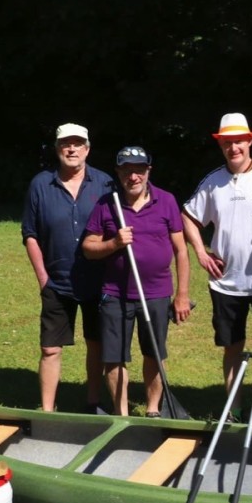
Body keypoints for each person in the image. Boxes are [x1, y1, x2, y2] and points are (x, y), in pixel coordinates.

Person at [183, 113, 252, 423]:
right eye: (227, 143)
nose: (234, 148)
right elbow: (188, 217)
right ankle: (234, 408)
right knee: (232, 347)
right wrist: (201, 252)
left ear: (250, 140)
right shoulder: (213, 182)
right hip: (226, 282)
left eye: (238, 141)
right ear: (220, 145)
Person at [82, 146, 191, 417]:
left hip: (156, 293)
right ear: (118, 173)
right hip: (115, 294)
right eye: (127, 171)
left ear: (148, 171)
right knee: (114, 357)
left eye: (139, 170)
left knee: (154, 353)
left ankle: (153, 409)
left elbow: (181, 250)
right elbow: (87, 247)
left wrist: (182, 294)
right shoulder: (107, 204)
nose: (133, 176)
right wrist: (115, 243)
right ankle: (122, 414)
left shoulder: (166, 201)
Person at [21, 123, 114, 412]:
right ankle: (48, 410)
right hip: (56, 281)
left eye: (77, 144)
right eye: (65, 144)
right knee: (50, 348)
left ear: (87, 149)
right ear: (58, 148)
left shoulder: (105, 184)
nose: (71, 149)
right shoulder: (40, 184)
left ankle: (93, 402)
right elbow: (30, 233)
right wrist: (43, 278)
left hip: (98, 279)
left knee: (96, 343)